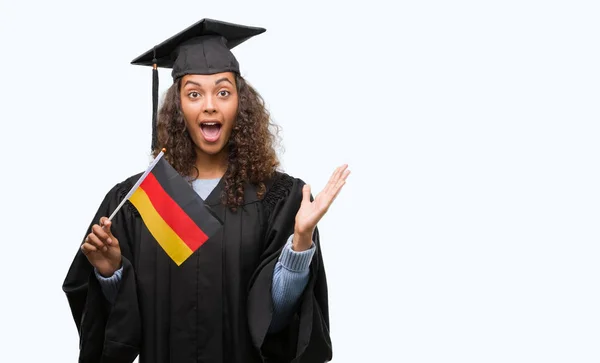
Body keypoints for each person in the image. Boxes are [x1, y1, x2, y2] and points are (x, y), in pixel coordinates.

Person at [62, 18, 350, 363]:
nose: (209, 105)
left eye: (223, 92)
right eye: (194, 93)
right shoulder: (138, 200)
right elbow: (116, 329)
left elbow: (277, 321)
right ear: (178, 108)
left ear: (240, 106)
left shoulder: (279, 198)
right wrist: (111, 273)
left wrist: (301, 243)